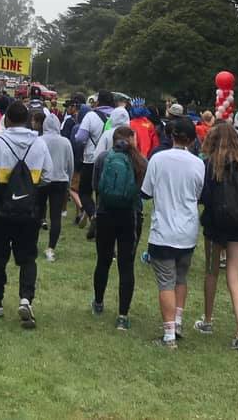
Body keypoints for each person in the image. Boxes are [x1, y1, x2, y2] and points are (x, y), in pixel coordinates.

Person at [0, 101, 53, 328]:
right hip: (30, 207)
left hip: (0, 205)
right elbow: (48, 175)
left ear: (7, 119)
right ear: (29, 120)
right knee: (28, 256)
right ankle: (25, 299)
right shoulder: (39, 143)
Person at [140, 117, 205, 349]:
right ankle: (177, 322)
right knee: (181, 277)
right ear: (193, 139)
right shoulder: (198, 164)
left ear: (170, 135)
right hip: (187, 231)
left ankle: (168, 335)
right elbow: (199, 194)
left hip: (163, 231)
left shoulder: (158, 159)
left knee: (165, 282)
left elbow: (146, 192)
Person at [195, 123, 238, 351]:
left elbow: (205, 196)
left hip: (215, 225)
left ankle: (208, 320)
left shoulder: (210, 165)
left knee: (211, 272)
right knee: (234, 277)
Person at [90, 126, 146, 330]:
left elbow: (96, 186)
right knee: (126, 265)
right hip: (131, 216)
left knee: (103, 260)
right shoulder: (140, 161)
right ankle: (123, 315)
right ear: (131, 139)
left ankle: (98, 302)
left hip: (105, 214)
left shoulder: (103, 158)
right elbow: (144, 192)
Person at [74, 90, 115, 233]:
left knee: (84, 192)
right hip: (112, 160)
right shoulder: (116, 116)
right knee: (101, 194)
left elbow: (80, 138)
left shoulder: (90, 116)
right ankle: (98, 225)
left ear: (98, 101)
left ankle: (93, 215)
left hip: (91, 159)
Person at [39, 113, 73, 262]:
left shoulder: (39, 140)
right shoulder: (65, 142)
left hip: (41, 180)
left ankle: (31, 243)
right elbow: (70, 164)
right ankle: (51, 248)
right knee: (56, 216)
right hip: (60, 180)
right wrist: (69, 182)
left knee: (37, 212)